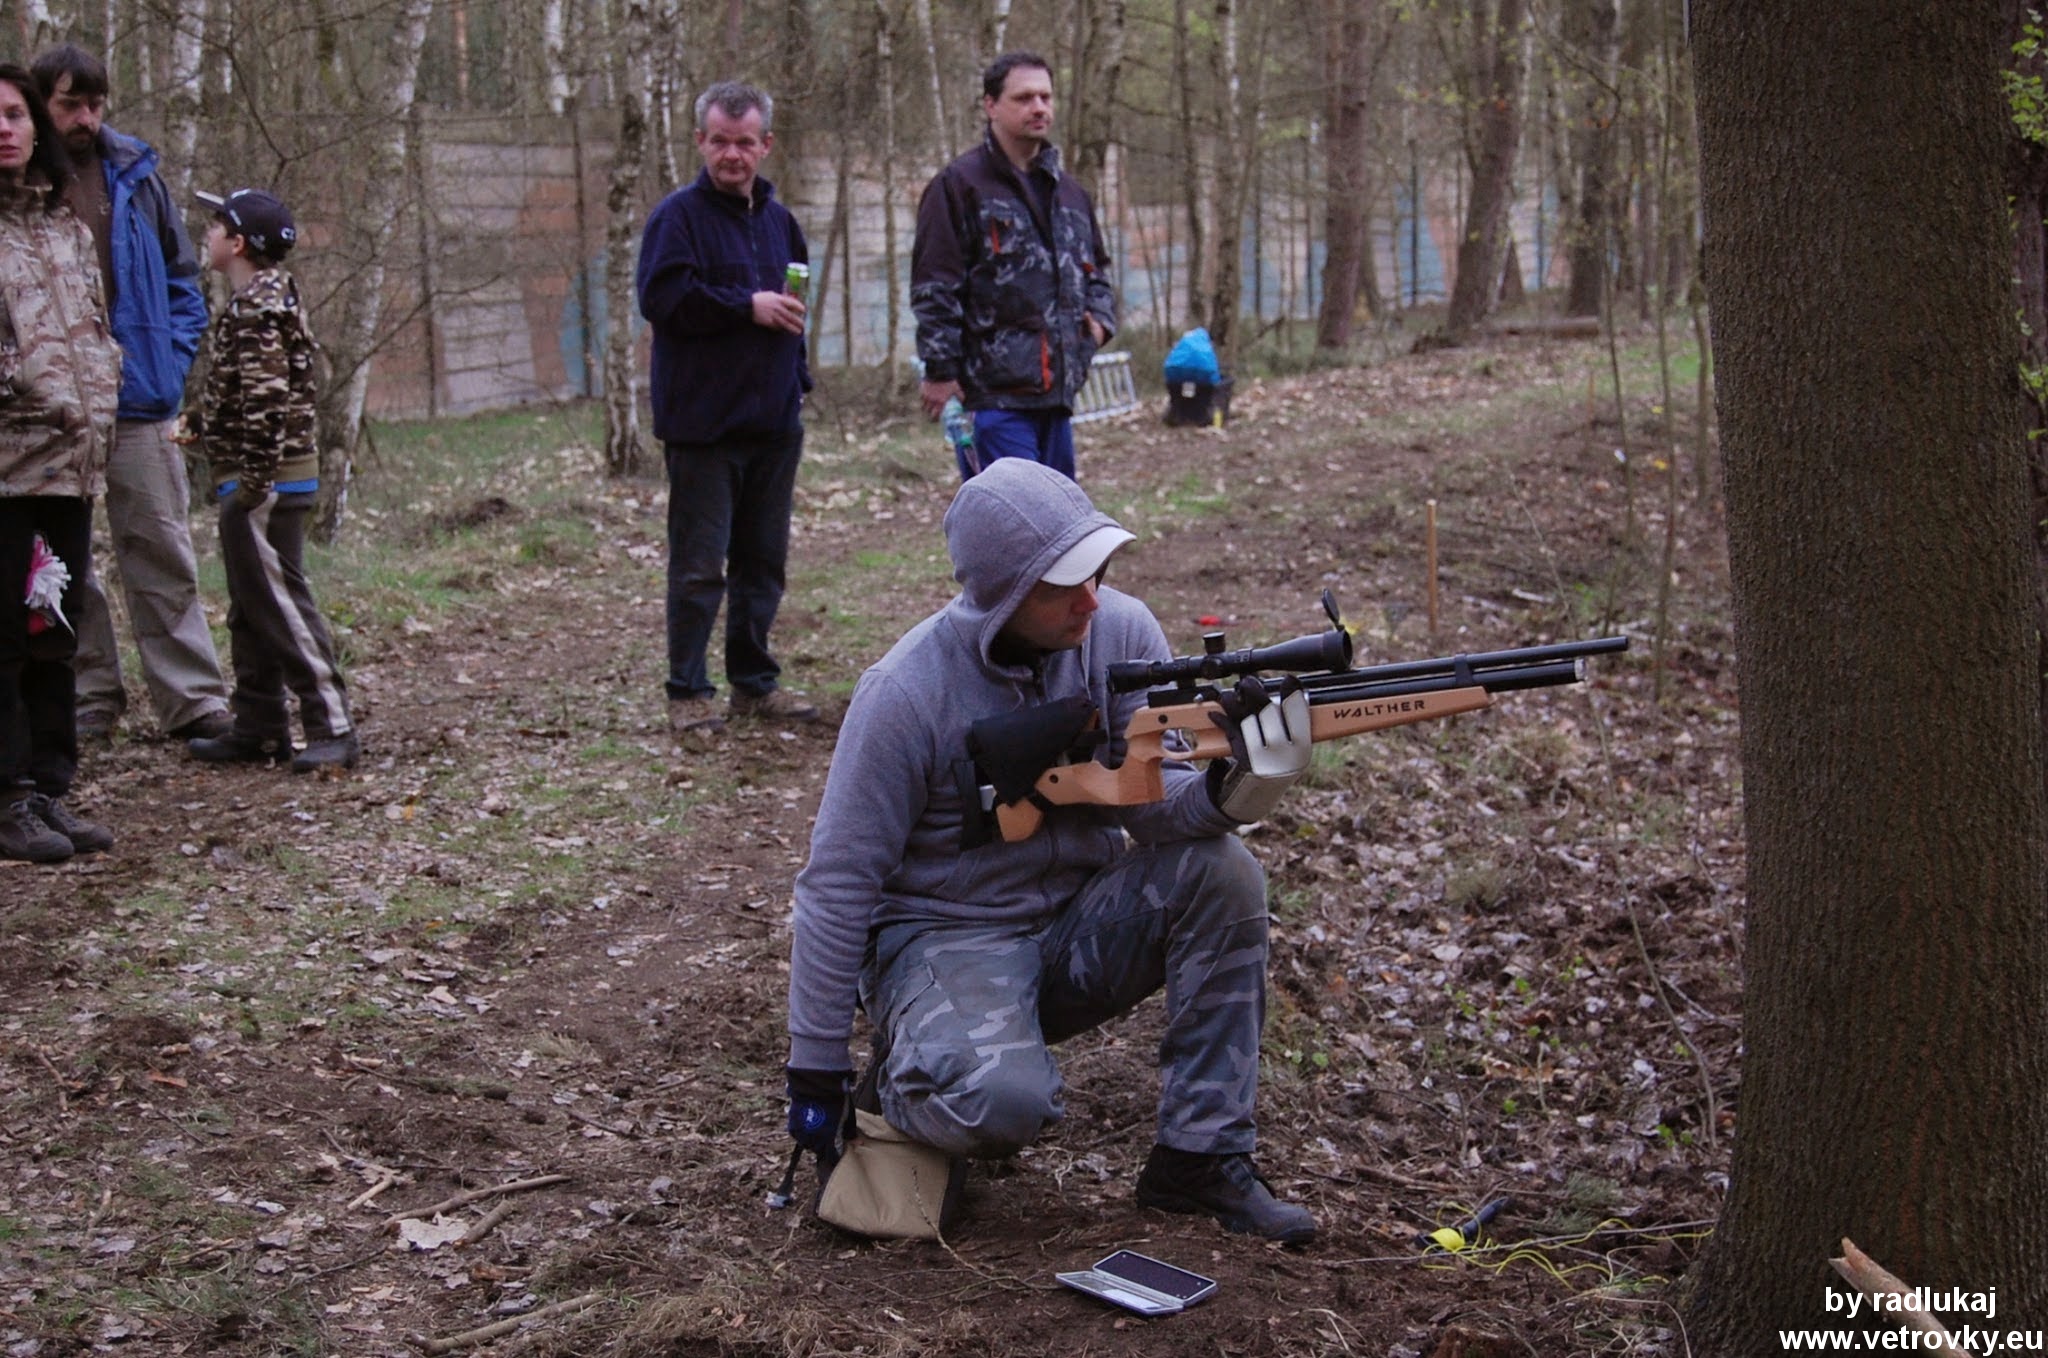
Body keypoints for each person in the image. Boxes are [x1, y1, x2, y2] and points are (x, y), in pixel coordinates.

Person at [784, 458, 1318, 1243]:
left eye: (1096, 572)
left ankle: (1200, 1159)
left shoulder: (1121, 633)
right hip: (945, 939)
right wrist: (816, 1064)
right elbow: (837, 882)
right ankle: (911, 1072)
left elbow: (1155, 813)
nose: (1091, 599)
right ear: (1003, 595)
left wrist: (1236, 786)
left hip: (1076, 926)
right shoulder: (903, 693)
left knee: (1223, 873)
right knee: (1002, 1106)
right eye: (1063, 585)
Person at [30, 44, 229, 745]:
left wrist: (169, 364)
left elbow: (183, 282)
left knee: (161, 549)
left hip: (141, 399)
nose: (85, 119)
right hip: (48, 408)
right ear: (41, 104)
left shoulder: (136, 175)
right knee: (63, 562)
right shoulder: (20, 183)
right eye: (70, 105)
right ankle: (90, 694)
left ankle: (192, 699)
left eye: (95, 105)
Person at [635, 80, 819, 737]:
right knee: (698, 568)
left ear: (765, 144)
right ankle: (687, 691)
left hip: (774, 425)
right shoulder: (677, 219)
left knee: (762, 564)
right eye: (720, 142)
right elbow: (663, 299)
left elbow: (793, 313)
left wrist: (798, 379)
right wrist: (746, 306)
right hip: (703, 428)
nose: (732, 155)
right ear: (700, 142)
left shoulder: (780, 223)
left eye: (744, 143)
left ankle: (753, 683)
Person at [181, 187, 358, 774]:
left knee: (280, 605)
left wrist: (254, 482)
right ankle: (259, 726)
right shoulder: (258, 301)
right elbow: (250, 390)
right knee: (251, 605)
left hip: (266, 481)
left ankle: (333, 726)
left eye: (215, 226)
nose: (207, 235)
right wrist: (204, 423)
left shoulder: (258, 308)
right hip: (257, 475)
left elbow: (268, 399)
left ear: (237, 244)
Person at [0, 63, 120, 862]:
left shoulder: (63, 225)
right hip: (7, 468)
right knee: (5, 636)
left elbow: (96, 330)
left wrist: (104, 385)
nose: (4, 128)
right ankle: (7, 795)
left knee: (56, 630)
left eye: (14, 113)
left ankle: (48, 787)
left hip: (72, 467)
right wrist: (30, 388)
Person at [912, 52, 1117, 482]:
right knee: (1012, 518)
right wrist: (940, 371)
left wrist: (1098, 326)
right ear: (991, 105)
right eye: (1024, 98)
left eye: (1045, 97)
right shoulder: (959, 187)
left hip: (1058, 399)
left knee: (1060, 519)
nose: (1038, 108)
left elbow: (1098, 271)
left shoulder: (1071, 194)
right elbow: (935, 285)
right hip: (992, 401)